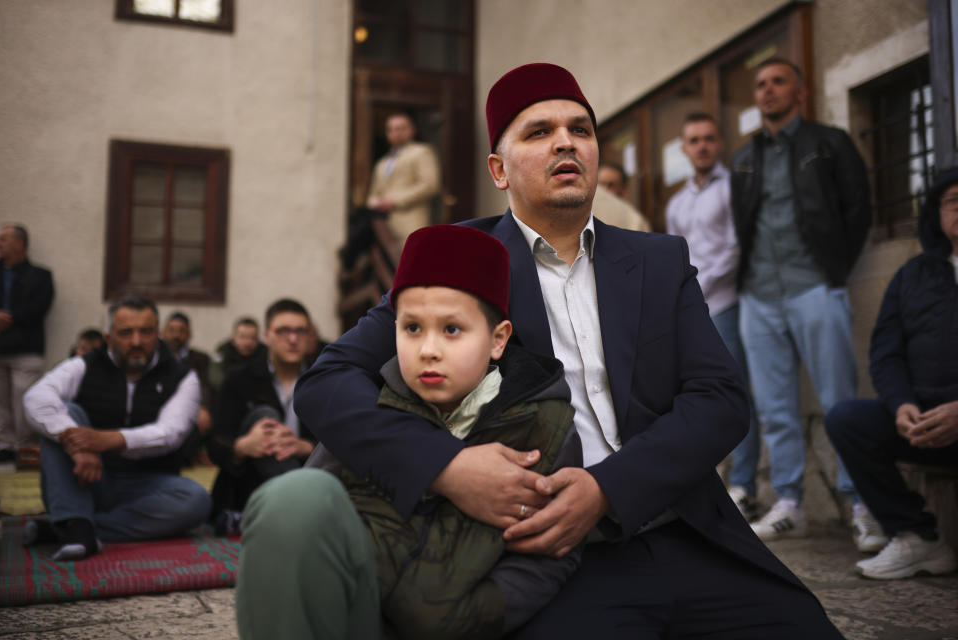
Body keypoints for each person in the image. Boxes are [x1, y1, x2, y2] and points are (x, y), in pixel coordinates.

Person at [236, 62, 843, 639]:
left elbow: (719, 400)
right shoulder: (458, 260)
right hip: (549, 554)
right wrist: (445, 467)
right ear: (499, 170)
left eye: (580, 129)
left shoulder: (659, 261)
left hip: (675, 520)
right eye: (541, 131)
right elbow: (329, 380)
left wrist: (607, 489)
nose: (566, 143)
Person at [303, 224, 582, 638]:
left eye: (452, 330)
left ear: (498, 340)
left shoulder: (543, 429)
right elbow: (311, 517)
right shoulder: (370, 413)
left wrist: (475, 615)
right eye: (411, 328)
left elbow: (545, 557)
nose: (428, 350)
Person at [730, 57, 872, 542]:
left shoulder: (828, 143)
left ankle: (860, 503)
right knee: (773, 408)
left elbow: (858, 210)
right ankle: (788, 500)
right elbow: (742, 224)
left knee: (839, 403)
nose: (767, 91)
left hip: (815, 286)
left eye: (778, 82)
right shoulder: (745, 158)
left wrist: (834, 272)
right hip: (759, 297)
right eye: (761, 85)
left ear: (800, 92)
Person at [825, 169, 958, 579]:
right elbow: (885, 354)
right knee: (847, 419)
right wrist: (902, 406)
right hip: (922, 422)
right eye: (953, 201)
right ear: (937, 214)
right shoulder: (913, 274)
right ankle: (918, 538)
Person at [22, 294, 210, 560]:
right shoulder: (84, 366)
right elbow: (35, 398)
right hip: (84, 479)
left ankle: (73, 528)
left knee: (196, 500)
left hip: (147, 486)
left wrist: (107, 440)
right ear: (109, 337)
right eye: (126, 333)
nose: (136, 342)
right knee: (68, 413)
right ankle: (75, 520)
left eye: (145, 332)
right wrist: (76, 444)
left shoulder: (182, 376)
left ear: (157, 335)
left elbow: (171, 433)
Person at [666, 112, 761, 521]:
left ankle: (745, 484)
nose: (702, 145)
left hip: (726, 303)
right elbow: (676, 251)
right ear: (685, 149)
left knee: (735, 392)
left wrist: (698, 288)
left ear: (718, 144)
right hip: (692, 309)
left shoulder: (732, 189)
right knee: (696, 395)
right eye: (694, 140)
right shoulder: (678, 202)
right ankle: (713, 480)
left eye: (708, 138)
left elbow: (737, 246)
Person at [206, 299, 316, 534]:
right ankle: (298, 510)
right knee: (264, 416)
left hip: (308, 474)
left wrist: (306, 446)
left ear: (309, 336)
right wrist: (241, 446)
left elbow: (341, 441)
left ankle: (275, 513)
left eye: (300, 331)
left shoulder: (324, 381)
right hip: (250, 483)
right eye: (283, 331)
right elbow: (215, 444)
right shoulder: (238, 379)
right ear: (267, 335)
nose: (293, 339)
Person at [0, 224, 54, 463]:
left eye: (3, 239)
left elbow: (40, 306)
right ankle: (3, 445)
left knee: (23, 401)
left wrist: (9, 317)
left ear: (19, 244)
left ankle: (24, 448)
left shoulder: (41, 276)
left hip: (26, 349)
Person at [366, 112, 441, 245]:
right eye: (391, 129)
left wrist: (394, 201)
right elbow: (373, 193)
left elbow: (430, 185)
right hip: (384, 226)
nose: (396, 133)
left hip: (411, 223)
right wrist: (376, 203)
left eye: (401, 128)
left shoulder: (422, 152)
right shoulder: (382, 163)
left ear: (412, 130)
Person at [163, 311, 213, 437]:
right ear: (163, 333)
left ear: (189, 334)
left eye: (181, 331)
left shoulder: (201, 359)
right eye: (172, 330)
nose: (176, 335)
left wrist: (204, 407)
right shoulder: (157, 358)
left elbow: (205, 385)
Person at [209, 316, 267, 390]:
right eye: (243, 337)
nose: (247, 343)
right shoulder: (223, 350)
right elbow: (215, 376)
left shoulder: (264, 351)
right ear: (233, 337)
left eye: (252, 338)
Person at [593, 162, 651, 232]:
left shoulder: (633, 220)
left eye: (611, 185)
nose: (604, 190)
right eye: (600, 184)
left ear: (624, 191)